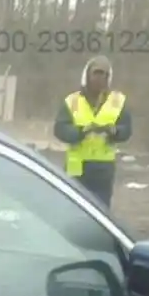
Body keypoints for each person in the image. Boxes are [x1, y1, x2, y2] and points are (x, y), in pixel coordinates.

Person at [53, 56, 130, 207]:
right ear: (87, 75)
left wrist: (114, 131)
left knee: (100, 210)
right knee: (74, 207)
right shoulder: (72, 101)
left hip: (103, 169)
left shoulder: (118, 101)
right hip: (77, 167)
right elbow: (60, 129)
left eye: (105, 74)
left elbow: (127, 129)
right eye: (97, 73)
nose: (100, 78)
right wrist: (81, 132)